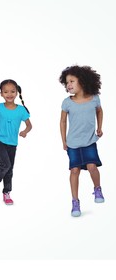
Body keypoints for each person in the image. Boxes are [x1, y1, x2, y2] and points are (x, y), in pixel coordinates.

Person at [59, 65, 104, 217]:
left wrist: (99, 127)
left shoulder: (94, 99)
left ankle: (97, 188)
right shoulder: (67, 102)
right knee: (74, 170)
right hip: (72, 142)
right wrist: (64, 140)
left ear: (83, 81)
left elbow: (99, 110)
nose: (69, 85)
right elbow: (63, 122)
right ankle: (75, 201)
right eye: (67, 82)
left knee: (92, 167)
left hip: (89, 140)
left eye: (72, 81)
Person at [0, 79, 32, 206]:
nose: (9, 94)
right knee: (6, 164)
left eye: (12, 91)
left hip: (12, 143)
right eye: (6, 92)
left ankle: (7, 193)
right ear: (1, 93)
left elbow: (29, 125)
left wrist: (25, 131)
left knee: (10, 168)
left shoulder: (21, 110)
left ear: (17, 93)